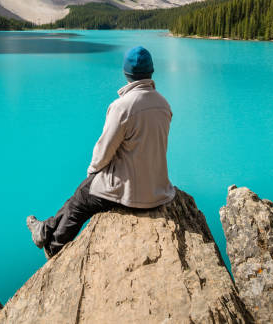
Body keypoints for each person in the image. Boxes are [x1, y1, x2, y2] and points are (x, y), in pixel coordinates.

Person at [26, 45, 176, 258]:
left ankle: (53, 246)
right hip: (158, 189)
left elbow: (104, 151)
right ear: (151, 72)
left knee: (81, 198)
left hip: (132, 194)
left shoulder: (122, 106)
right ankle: (44, 230)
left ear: (126, 73)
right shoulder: (163, 104)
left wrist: (93, 173)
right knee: (84, 192)